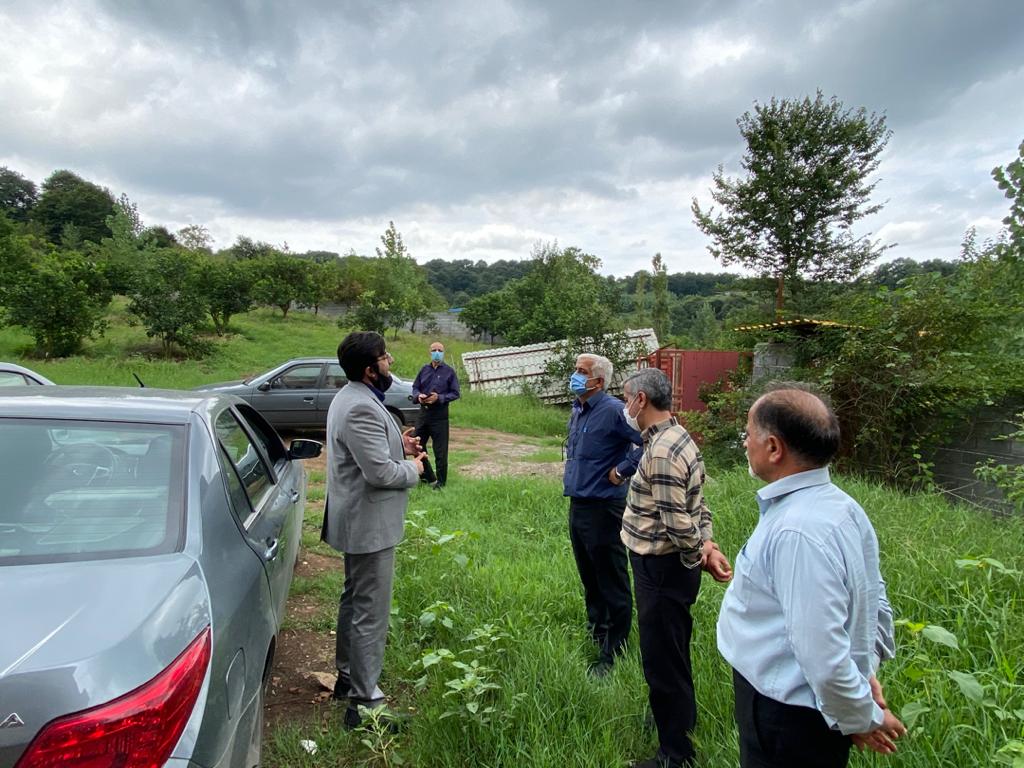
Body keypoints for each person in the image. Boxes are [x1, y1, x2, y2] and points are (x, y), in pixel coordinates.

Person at [717, 385, 906, 767]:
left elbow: (822, 652)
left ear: (774, 448)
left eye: (748, 435)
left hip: (787, 715)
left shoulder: (797, 531)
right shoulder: (843, 508)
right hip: (805, 707)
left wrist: (858, 715)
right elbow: (872, 599)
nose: (745, 444)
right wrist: (866, 676)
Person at [620, 368, 733, 768]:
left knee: (662, 658)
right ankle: (675, 720)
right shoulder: (678, 436)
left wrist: (697, 555)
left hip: (662, 568)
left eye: (626, 397)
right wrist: (707, 544)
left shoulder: (664, 450)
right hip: (669, 566)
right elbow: (698, 505)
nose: (624, 406)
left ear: (641, 401)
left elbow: (677, 520)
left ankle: (675, 754)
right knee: (672, 651)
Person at [321, 331, 427, 729]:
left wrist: (395, 441)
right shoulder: (359, 407)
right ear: (369, 369)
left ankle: (348, 677)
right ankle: (365, 703)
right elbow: (380, 472)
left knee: (354, 600)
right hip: (369, 524)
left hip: (357, 519)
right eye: (385, 358)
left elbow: (365, 450)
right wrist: (413, 468)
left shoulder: (350, 396)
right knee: (371, 610)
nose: (391, 362)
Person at [563, 353, 643, 676]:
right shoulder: (578, 410)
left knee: (611, 577)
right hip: (578, 505)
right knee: (589, 575)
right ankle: (597, 632)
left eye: (582, 372)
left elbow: (648, 442)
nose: (575, 375)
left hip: (605, 507)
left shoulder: (613, 412)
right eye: (576, 370)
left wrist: (623, 470)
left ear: (598, 381)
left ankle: (615, 649)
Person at [411, 340, 460, 489]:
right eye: (434, 350)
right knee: (417, 445)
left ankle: (441, 483)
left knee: (440, 451)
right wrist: (418, 395)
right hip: (423, 413)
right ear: (430, 352)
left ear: (443, 352)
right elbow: (415, 387)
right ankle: (427, 476)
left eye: (439, 350)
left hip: (439, 416)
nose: (437, 352)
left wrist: (439, 397)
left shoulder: (449, 372)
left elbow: (455, 393)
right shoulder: (424, 369)